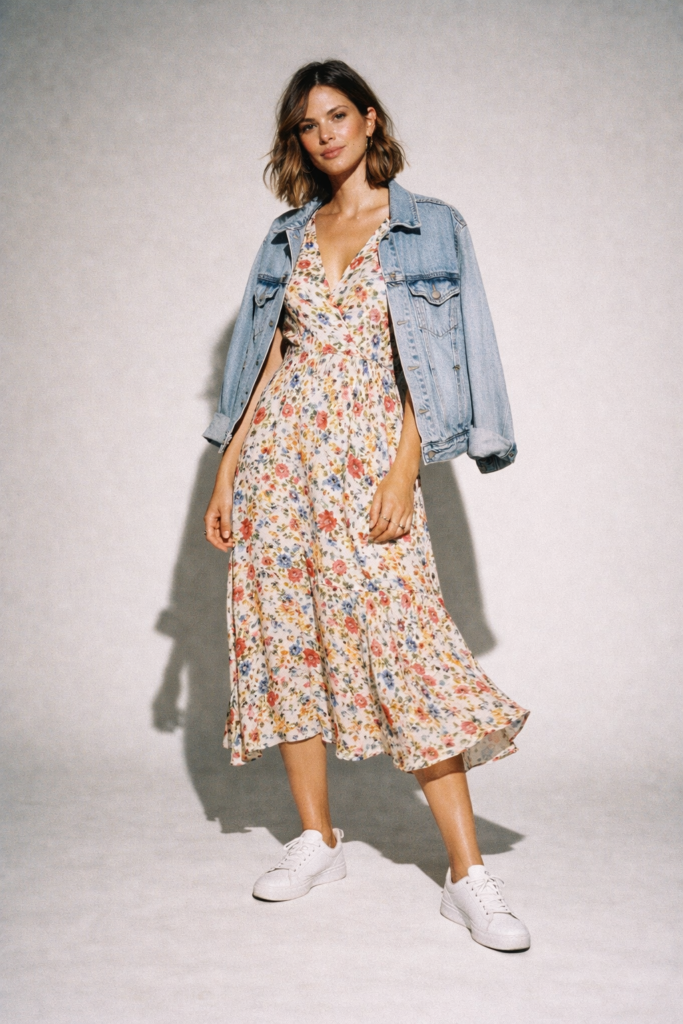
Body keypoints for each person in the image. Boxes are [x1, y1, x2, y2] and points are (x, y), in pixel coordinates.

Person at [203, 60, 530, 952]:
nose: (325, 135)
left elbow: (453, 356)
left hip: (367, 466)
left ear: (370, 118)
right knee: (285, 639)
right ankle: (317, 838)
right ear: (297, 141)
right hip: (277, 466)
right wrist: (228, 470)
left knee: (404, 647)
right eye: (308, 125)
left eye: (337, 115)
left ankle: (467, 877)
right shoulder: (286, 237)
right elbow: (266, 361)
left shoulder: (430, 228)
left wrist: (402, 471)